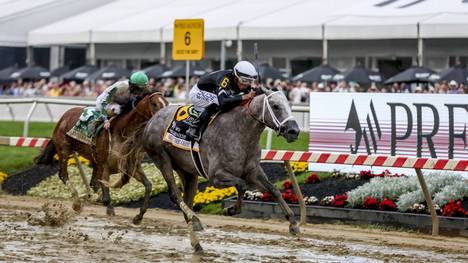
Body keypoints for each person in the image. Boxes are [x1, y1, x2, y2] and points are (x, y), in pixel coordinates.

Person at [186, 60, 258, 141]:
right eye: (244, 81)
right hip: (198, 92)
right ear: (235, 77)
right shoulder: (225, 80)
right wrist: (245, 96)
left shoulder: (240, 81)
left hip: (211, 93)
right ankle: (194, 128)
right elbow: (223, 102)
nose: (246, 85)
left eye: (249, 82)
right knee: (218, 102)